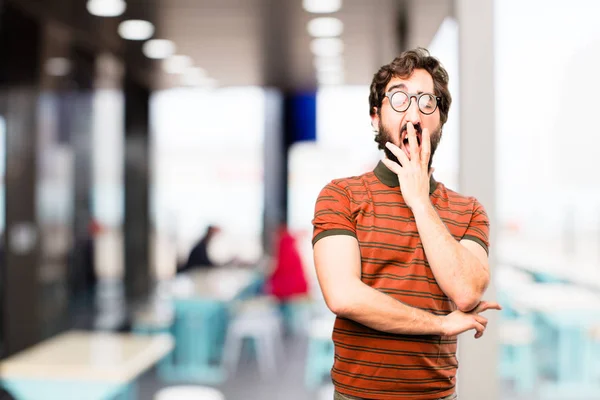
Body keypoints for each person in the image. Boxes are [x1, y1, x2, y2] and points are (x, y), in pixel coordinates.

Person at [312, 48, 501, 400]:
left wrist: (419, 200)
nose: (413, 113)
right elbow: (343, 296)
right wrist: (440, 324)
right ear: (375, 117)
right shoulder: (341, 196)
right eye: (399, 99)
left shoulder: (468, 210)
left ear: (440, 121)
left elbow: (466, 291)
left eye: (426, 102)